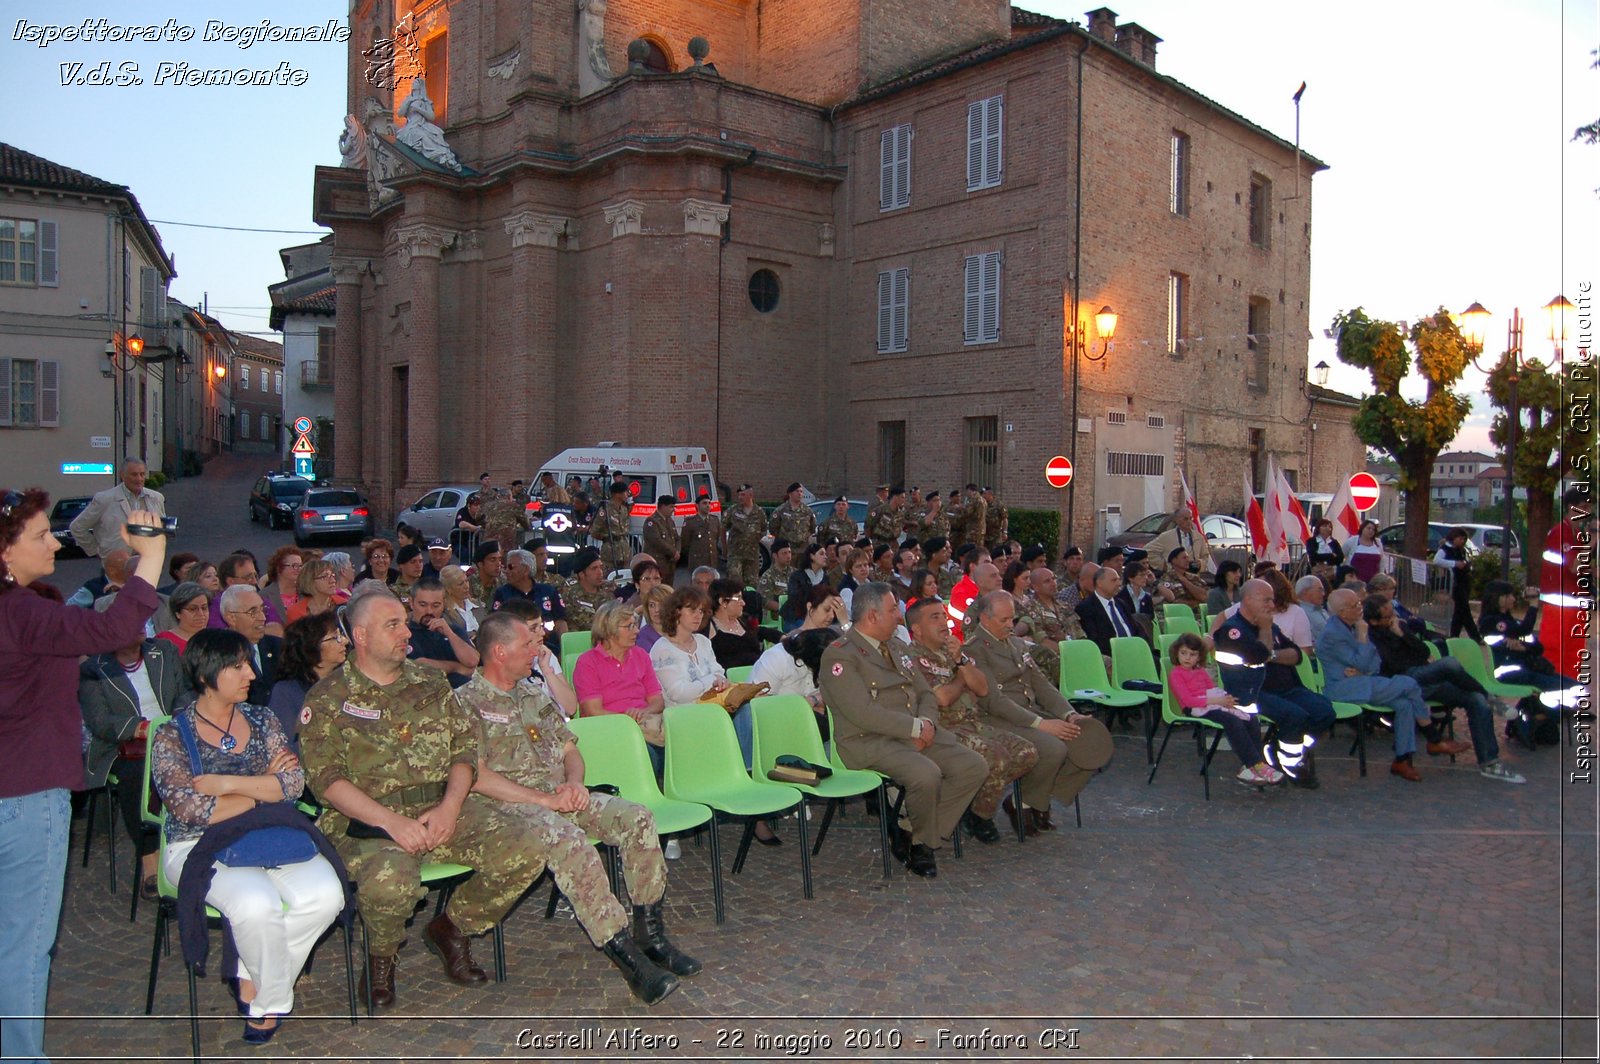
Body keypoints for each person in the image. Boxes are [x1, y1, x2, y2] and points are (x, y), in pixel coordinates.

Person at [298, 592, 544, 1008]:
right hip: (368, 823)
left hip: (441, 809)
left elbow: (464, 751)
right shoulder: (328, 698)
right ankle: (382, 957)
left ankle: (452, 928)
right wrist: (392, 823)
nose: (405, 631)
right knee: (391, 881)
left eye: (403, 621)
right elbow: (328, 782)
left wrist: (450, 808)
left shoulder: (430, 683)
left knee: (528, 846)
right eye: (391, 624)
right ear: (359, 635)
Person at [458, 614, 693, 1004]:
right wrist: (545, 800)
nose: (536, 650)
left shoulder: (533, 693)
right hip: (507, 808)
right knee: (568, 841)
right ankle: (625, 955)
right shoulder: (467, 703)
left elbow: (570, 748)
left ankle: (650, 935)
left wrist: (575, 783)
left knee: (637, 818)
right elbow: (475, 776)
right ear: (499, 652)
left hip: (560, 794)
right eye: (527, 645)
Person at [151, 628, 347, 1045]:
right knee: (256, 903)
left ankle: (249, 977)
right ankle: (270, 1002)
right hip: (198, 845)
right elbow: (189, 809)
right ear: (206, 673)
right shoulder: (173, 734)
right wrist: (263, 787)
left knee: (327, 896)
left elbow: (293, 784)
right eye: (237, 665)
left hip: (271, 835)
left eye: (248, 663)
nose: (251, 674)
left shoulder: (263, 719)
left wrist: (224, 783)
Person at [817, 582, 987, 878]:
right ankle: (923, 844)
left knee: (973, 766)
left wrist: (928, 723)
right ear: (872, 616)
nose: (899, 616)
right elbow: (862, 713)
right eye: (893, 609)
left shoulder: (896, 647)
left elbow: (924, 693)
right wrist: (914, 728)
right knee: (926, 774)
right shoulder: (841, 655)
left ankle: (909, 830)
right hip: (868, 741)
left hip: (914, 732)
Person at [961, 592, 1115, 832]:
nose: (1010, 625)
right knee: (1054, 747)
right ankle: (1031, 802)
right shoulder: (974, 649)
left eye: (1012, 619)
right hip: (998, 718)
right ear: (984, 618)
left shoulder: (1016, 643)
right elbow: (994, 701)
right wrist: (1040, 724)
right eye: (1003, 620)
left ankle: (1030, 800)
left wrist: (1068, 714)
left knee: (1088, 743)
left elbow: (1042, 685)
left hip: (1030, 711)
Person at [904, 598, 1038, 843]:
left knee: (1026, 751)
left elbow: (983, 687)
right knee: (996, 757)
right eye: (934, 617)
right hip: (945, 730)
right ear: (917, 629)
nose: (944, 622)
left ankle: (974, 808)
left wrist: (960, 662)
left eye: (943, 616)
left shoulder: (954, 651)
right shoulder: (912, 657)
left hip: (973, 723)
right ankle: (980, 817)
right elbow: (942, 698)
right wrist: (961, 680)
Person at [1363, 594, 1524, 784]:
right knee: (1449, 664)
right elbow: (1392, 665)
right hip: (1401, 682)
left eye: (1393, 614)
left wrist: (1403, 634)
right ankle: (1489, 696)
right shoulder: (1370, 636)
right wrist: (1402, 642)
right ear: (1373, 621)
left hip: (1424, 678)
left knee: (1475, 700)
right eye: (1387, 617)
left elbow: (1423, 651)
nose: (1392, 620)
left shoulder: (1399, 627)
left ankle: (1490, 762)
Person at [1317, 588, 1461, 782]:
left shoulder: (1353, 625)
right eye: (1355, 605)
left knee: (1404, 704)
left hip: (1365, 681)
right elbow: (1361, 661)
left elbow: (1375, 662)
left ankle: (1403, 760)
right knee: (1409, 684)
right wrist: (1362, 639)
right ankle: (1433, 738)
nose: (1360, 607)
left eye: (1359, 603)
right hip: (1343, 689)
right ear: (1342, 612)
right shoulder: (1334, 633)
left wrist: (1364, 668)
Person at [79, 633, 184, 898]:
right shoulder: (93, 668)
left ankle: (191, 851)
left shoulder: (164, 651)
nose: (136, 627)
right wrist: (139, 728)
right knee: (140, 774)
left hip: (172, 734)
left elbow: (185, 693)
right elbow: (100, 721)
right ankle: (150, 860)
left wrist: (175, 722)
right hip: (123, 747)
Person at [1213, 579, 1336, 788]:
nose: (1272, 605)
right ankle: (1292, 765)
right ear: (1249, 599)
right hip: (1253, 694)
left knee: (1324, 711)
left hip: (1287, 688)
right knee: (1293, 715)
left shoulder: (1269, 625)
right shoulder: (1232, 631)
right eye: (1267, 600)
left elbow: (1296, 655)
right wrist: (1266, 633)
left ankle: (1280, 747)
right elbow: (1259, 656)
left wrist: (1270, 651)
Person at [1165, 633, 1282, 786]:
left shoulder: (1200, 671)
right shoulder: (1176, 674)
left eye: (1192, 654)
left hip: (1212, 702)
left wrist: (1226, 701)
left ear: (1199, 656)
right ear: (1176, 653)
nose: (1187, 658)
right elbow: (1187, 701)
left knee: (1249, 717)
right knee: (1232, 721)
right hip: (1195, 707)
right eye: (1183, 653)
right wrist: (1218, 701)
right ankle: (1256, 764)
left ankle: (1254, 764)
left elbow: (1212, 688)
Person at [1478, 579, 1585, 729]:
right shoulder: (1490, 621)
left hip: (1527, 669)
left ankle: (1528, 717)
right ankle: (1532, 719)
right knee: (1562, 691)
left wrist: (1524, 648)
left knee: (1575, 687)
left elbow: (1538, 647)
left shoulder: (1511, 621)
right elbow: (1524, 630)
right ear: (1497, 598)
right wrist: (1533, 605)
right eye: (1508, 595)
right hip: (1507, 672)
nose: (1513, 599)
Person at [572, 599, 667, 750]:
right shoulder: (588, 663)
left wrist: (641, 712)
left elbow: (657, 701)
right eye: (629, 626)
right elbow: (593, 711)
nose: (636, 631)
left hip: (646, 726)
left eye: (635, 625)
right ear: (608, 630)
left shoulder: (640, 655)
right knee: (646, 755)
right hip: (611, 730)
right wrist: (626, 720)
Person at [268, 613, 349, 756]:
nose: (344, 641)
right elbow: (285, 745)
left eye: (340, 635)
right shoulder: (287, 692)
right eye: (334, 637)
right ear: (311, 647)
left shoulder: (347, 681)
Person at [491, 598, 580, 720]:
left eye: (541, 626)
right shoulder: (506, 666)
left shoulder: (545, 655)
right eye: (533, 629)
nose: (542, 633)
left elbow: (571, 708)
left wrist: (547, 671)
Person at [69, 457, 168, 559]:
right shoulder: (105, 499)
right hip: (117, 562)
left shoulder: (156, 498)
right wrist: (96, 550)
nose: (139, 479)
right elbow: (77, 527)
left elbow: (162, 528)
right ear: (122, 475)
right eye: (134, 475)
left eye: (142, 474)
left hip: (147, 561)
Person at [1540, 487, 1592, 678]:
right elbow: (1573, 566)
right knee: (1554, 653)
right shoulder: (1560, 532)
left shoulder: (1576, 533)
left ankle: (1569, 696)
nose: (1587, 512)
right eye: (1583, 507)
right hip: (1558, 604)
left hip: (1574, 603)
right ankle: (1549, 697)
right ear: (1571, 507)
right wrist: (1593, 539)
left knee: (1574, 655)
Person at [750, 626, 837, 739]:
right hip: (776, 723)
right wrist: (807, 703)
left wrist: (816, 701)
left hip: (810, 717)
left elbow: (837, 693)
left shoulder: (828, 662)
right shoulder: (777, 658)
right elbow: (761, 705)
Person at [405, 579, 478, 688]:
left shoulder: (454, 630)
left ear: (444, 604)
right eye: (423, 605)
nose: (429, 611)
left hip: (464, 693)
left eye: (435, 605)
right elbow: (420, 665)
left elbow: (472, 662)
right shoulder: (405, 634)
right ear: (411, 603)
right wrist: (457, 668)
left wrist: (449, 634)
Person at [218, 584, 283, 705]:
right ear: (231, 618)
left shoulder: (279, 646)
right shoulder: (219, 654)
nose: (262, 617)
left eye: (262, 609)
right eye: (253, 612)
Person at [493, 548, 568, 633]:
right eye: (505, 567)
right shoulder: (502, 593)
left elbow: (560, 622)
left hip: (548, 643)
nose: (506, 571)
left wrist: (564, 644)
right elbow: (496, 624)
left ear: (525, 570)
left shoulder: (549, 591)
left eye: (511, 567)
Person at [1076, 566, 1141, 657]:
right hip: (1112, 655)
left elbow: (1136, 630)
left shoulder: (1121, 604)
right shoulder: (1086, 608)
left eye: (1119, 579)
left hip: (1134, 651)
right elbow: (1094, 639)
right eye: (1114, 580)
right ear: (1099, 583)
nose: (1119, 583)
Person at [1432, 527, 1480, 640]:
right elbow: (1436, 561)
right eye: (1460, 538)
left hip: (1463, 581)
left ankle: (1454, 636)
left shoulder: (1462, 550)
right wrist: (1454, 563)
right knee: (1464, 610)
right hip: (1454, 583)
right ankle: (1475, 636)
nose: (1462, 541)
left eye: (1464, 539)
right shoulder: (1445, 549)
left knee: (1459, 612)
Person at [1146, 507, 1213, 577]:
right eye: (1185, 519)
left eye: (1191, 518)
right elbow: (1148, 551)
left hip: (1193, 577)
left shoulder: (1198, 537)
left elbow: (1205, 556)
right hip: (1173, 577)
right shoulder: (1166, 536)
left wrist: (1200, 563)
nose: (1189, 522)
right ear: (1177, 520)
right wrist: (1164, 565)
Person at [723, 484, 766, 588]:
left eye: (743, 495)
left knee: (751, 584)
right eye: (739, 495)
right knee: (734, 583)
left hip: (752, 555)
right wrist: (725, 547)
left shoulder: (759, 512)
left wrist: (753, 539)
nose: (740, 497)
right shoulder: (733, 510)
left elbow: (764, 529)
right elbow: (723, 527)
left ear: (750, 495)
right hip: (735, 555)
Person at [561, 548, 613, 634]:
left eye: (601, 567)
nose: (600, 572)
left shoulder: (608, 592)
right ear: (582, 574)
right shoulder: (570, 596)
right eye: (594, 568)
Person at [782, 543, 831, 630]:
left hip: (818, 615)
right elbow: (794, 599)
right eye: (821, 554)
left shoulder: (825, 578)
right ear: (812, 556)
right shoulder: (797, 576)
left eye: (825, 554)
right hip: (796, 617)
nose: (825, 557)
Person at [157, 581, 212, 654]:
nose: (201, 614)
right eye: (193, 609)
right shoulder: (163, 641)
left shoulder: (216, 639)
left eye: (204, 608)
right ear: (178, 613)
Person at [285, 559, 339, 624]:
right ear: (310, 581)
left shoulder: (344, 606)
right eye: (325, 577)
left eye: (332, 575)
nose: (333, 580)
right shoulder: (295, 612)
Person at [260, 548, 304, 626]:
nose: (299, 569)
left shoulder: (306, 592)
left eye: (300, 566)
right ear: (279, 568)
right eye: (294, 566)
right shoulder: (264, 596)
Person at [680, 494, 722, 574]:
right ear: (697, 506)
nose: (708, 506)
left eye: (709, 503)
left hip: (712, 561)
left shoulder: (714, 520)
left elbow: (716, 539)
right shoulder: (690, 522)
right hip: (697, 561)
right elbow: (685, 543)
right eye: (704, 503)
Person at [641, 496, 681, 581]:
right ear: (663, 506)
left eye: (674, 507)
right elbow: (656, 541)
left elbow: (677, 538)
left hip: (670, 564)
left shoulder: (670, 521)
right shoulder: (652, 521)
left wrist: (677, 551)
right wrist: (673, 552)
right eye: (671, 507)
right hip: (658, 563)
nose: (673, 509)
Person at [439, 564, 483, 638]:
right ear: (448, 589)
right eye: (460, 584)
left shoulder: (477, 605)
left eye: (466, 581)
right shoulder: (444, 612)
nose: (466, 586)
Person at [768, 482, 817, 548]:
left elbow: (812, 527)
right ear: (790, 494)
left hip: (803, 549)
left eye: (801, 491)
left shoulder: (808, 511)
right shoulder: (781, 510)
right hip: (786, 548)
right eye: (797, 491)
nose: (799, 494)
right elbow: (773, 528)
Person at [756, 539, 795, 616]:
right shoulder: (768, 576)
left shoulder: (795, 573)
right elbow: (764, 600)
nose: (788, 556)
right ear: (775, 556)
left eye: (789, 552)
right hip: (777, 615)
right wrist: (785, 609)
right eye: (784, 553)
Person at [635, 584, 673, 655]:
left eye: (662, 604)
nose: (657, 610)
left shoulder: (680, 631)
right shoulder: (642, 637)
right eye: (652, 605)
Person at [1295, 574, 1331, 643]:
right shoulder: (1299, 613)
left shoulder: (1322, 610)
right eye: (1320, 590)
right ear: (1305, 592)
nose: (1323, 594)